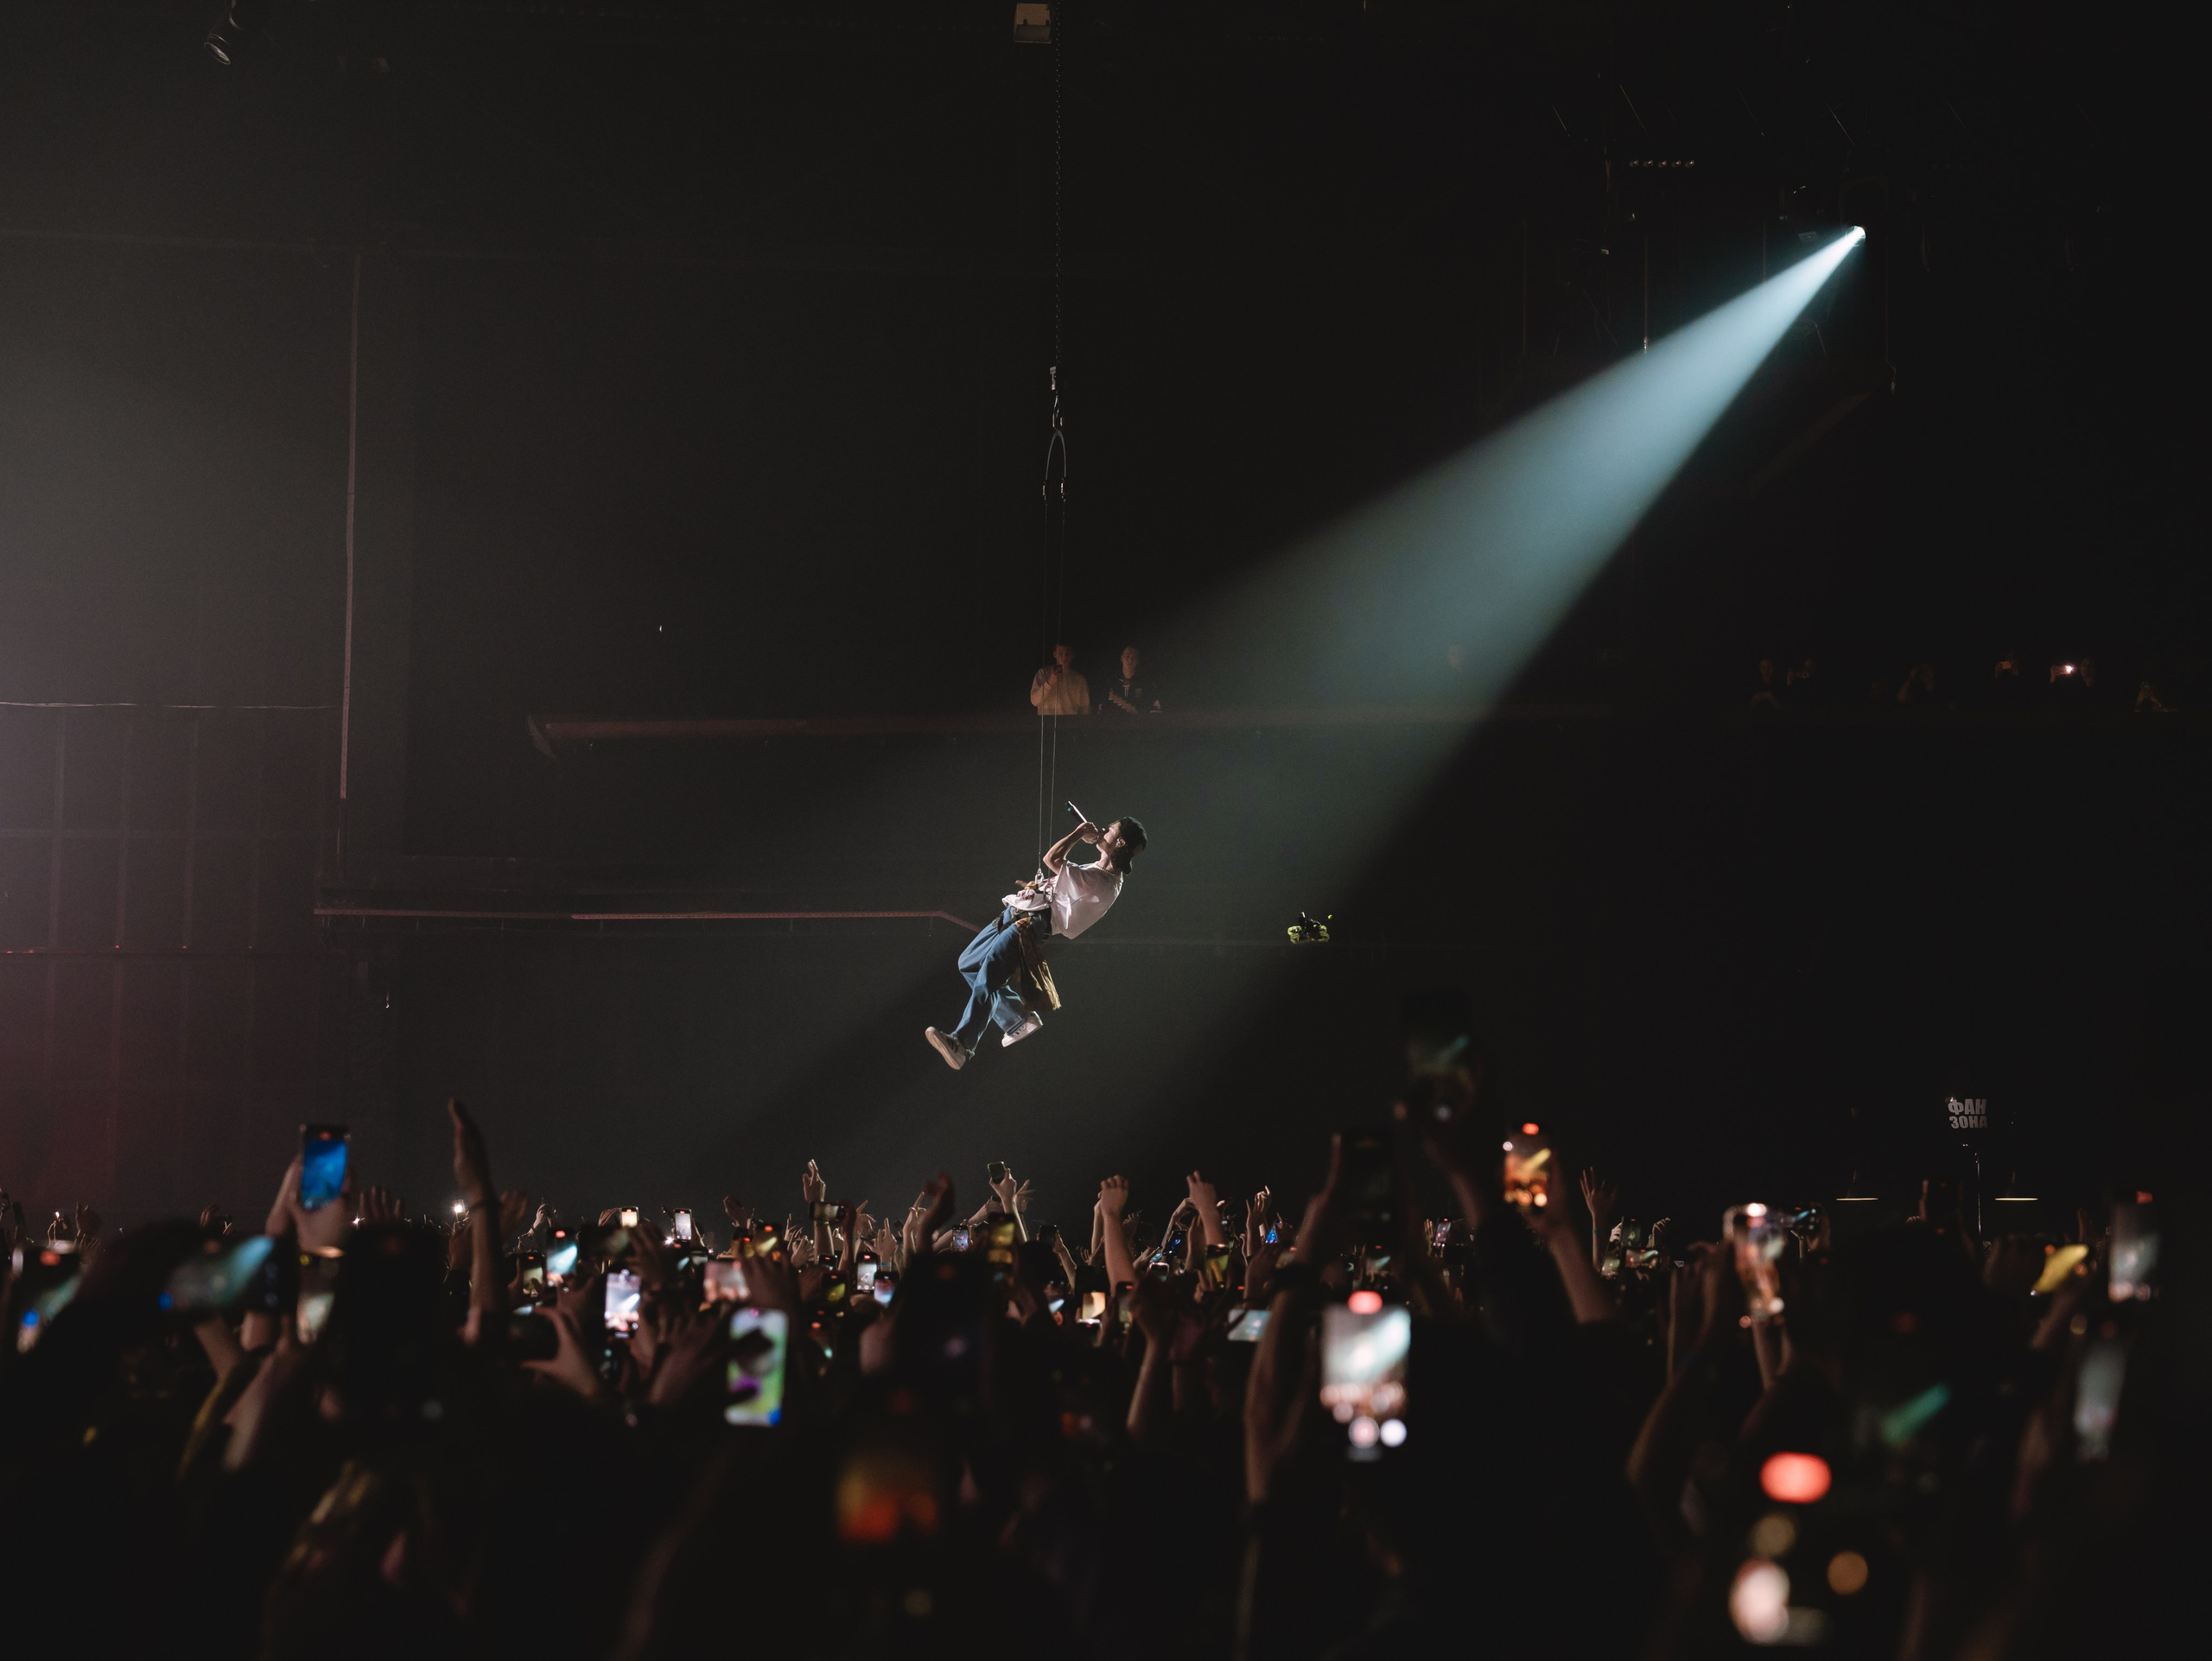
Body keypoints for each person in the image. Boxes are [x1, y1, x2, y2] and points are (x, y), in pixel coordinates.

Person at [925, 814, 1146, 1069]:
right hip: (1017, 913)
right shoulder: (1096, 871)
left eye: (1111, 828)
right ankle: (1017, 1019)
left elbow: (1051, 859)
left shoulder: (1103, 882)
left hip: (1030, 925)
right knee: (969, 963)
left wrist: (1078, 834)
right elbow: (1062, 894)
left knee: (989, 976)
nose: (1104, 829)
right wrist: (1038, 889)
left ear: (1119, 842)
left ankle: (962, 1044)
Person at [1029, 643, 1090, 716]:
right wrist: (1049, 683)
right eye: (1061, 653)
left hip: (1071, 723)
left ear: (1072, 655)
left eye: (1067, 654)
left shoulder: (1079, 679)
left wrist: (1082, 724)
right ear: (1055, 654)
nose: (1064, 657)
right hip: (1047, 722)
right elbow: (1035, 701)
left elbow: (1085, 707)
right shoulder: (1043, 673)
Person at [1099, 645, 1160, 714]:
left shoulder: (1146, 683)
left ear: (1137, 661)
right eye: (1127, 656)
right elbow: (1103, 709)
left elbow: (1154, 710)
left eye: (1133, 657)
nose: (1130, 660)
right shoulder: (1111, 682)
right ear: (1122, 658)